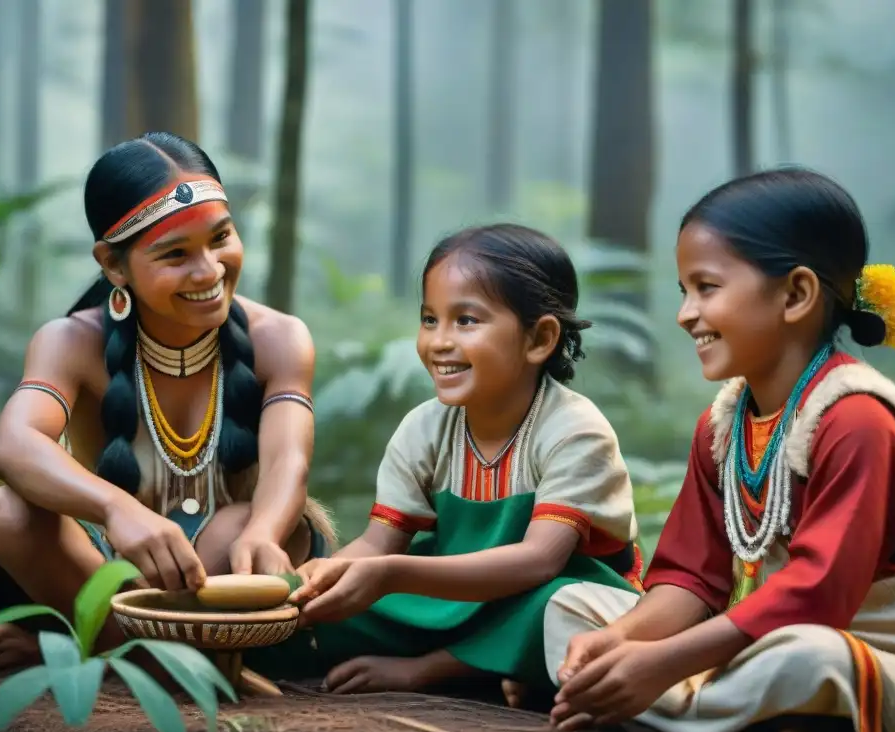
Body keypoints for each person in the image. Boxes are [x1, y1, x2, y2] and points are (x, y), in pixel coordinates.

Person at [0, 131, 336, 677]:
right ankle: (180, 665)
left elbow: (288, 461)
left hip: (227, 566)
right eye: (176, 254)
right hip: (99, 568)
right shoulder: (69, 341)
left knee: (240, 525)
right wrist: (120, 512)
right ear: (114, 266)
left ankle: (103, 656)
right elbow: (12, 445)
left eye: (221, 238)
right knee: (9, 512)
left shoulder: (280, 337)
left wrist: (264, 533)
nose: (209, 271)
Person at [541, 168, 895, 732]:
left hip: (854, 647)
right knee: (570, 608)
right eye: (685, 290)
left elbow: (816, 598)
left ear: (795, 295)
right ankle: (760, 720)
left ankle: (683, 704)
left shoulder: (859, 420)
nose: (686, 314)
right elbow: (691, 579)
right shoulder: (723, 425)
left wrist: (662, 663)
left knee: (813, 660)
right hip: (751, 642)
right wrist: (621, 642)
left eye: (706, 287)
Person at [244, 223, 643, 696]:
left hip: (543, 596)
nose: (439, 342)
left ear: (539, 339)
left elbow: (538, 562)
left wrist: (390, 575)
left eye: (466, 321)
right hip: (450, 600)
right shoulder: (424, 427)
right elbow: (378, 547)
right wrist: (322, 581)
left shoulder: (575, 430)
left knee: (556, 607)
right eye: (430, 319)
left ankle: (438, 669)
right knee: (305, 613)